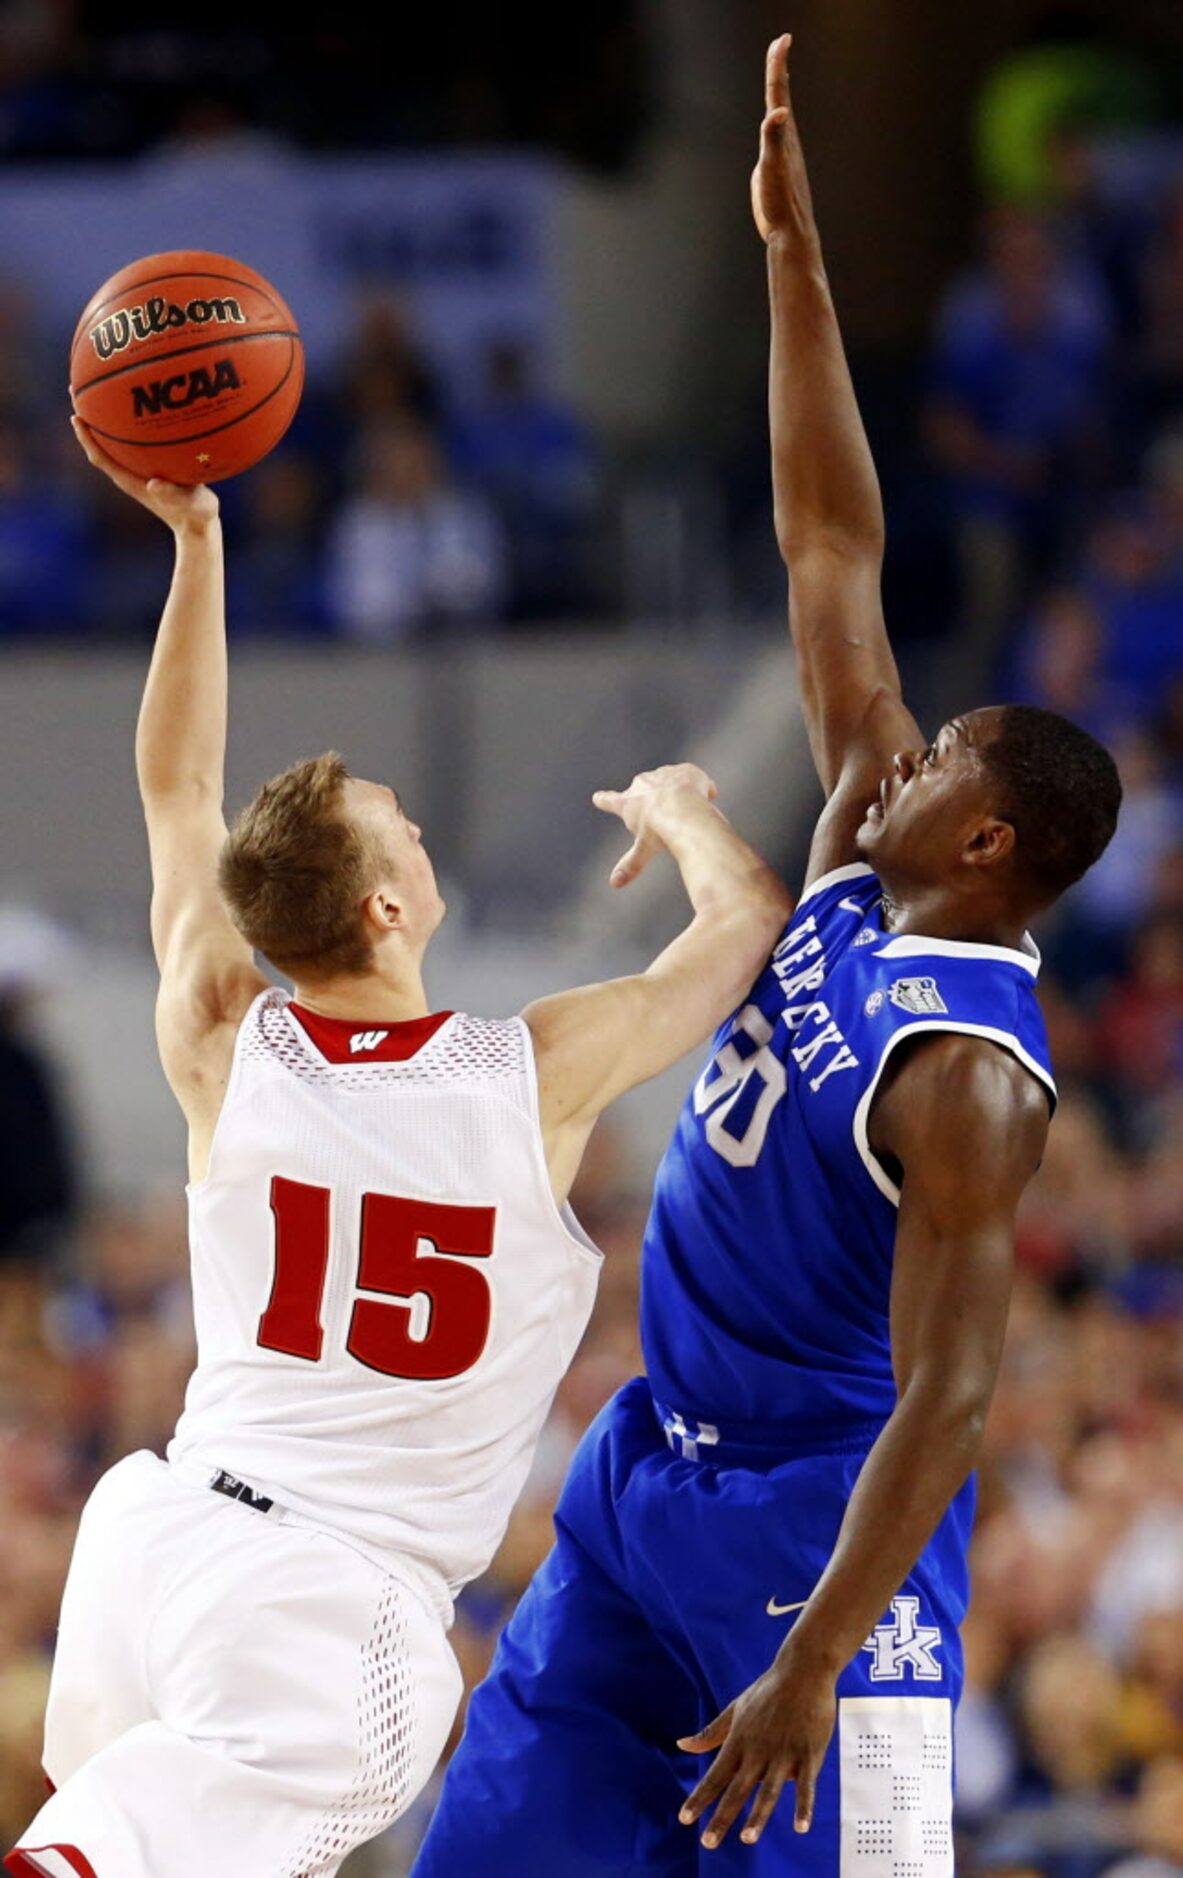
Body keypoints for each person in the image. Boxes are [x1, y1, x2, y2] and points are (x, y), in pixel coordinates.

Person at [410, 35, 1122, 1877]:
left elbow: (956, 1402)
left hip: (829, 1542)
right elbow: (830, 546)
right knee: (493, 1850)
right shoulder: (853, 864)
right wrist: (796, 268)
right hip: (653, 1472)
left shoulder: (969, 1071)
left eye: (942, 751)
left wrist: (811, 1661)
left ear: (990, 840)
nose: (902, 748)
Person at [4, 420, 789, 1878]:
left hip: (162, 1541)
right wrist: (686, 814)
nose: (422, 839)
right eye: (403, 831)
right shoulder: (532, 1072)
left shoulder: (218, 1038)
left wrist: (197, 549)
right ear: (379, 908)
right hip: (333, 1607)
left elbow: (176, 788)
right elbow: (743, 929)